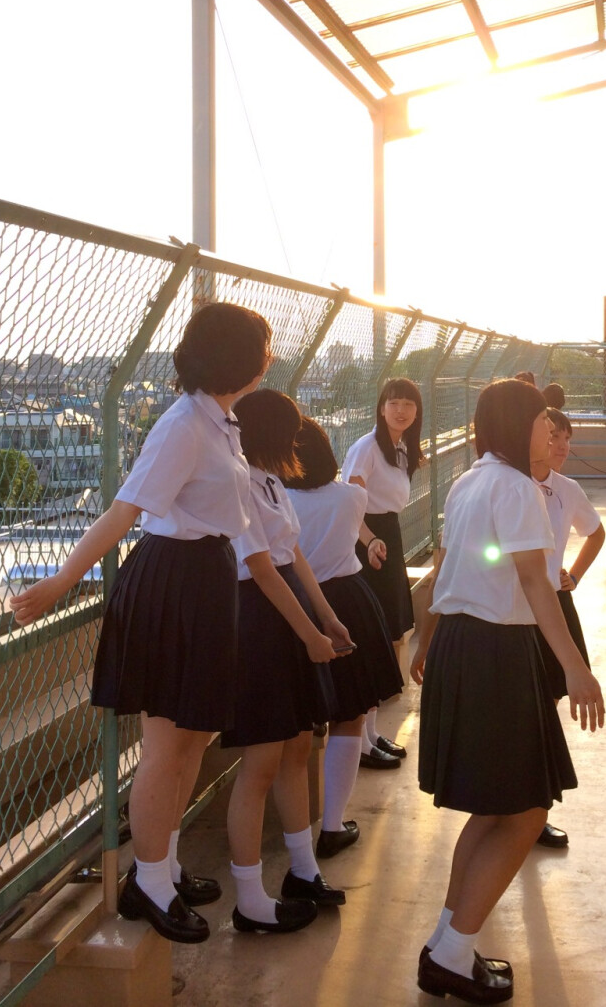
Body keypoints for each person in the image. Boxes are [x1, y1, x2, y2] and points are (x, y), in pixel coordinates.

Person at [9, 302, 271, 943]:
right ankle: (147, 886)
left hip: (203, 580)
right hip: (173, 584)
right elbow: (125, 511)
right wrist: (63, 581)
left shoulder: (220, 419)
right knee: (168, 744)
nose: (270, 355)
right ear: (238, 355)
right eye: (263, 345)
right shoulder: (184, 424)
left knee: (195, 733)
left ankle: (163, 865)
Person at [412, 379, 605, 1005]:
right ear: (516, 425)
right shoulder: (518, 488)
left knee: (493, 809)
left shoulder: (472, 480)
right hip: (497, 653)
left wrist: (426, 638)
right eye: (543, 424)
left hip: (467, 647)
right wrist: (574, 666)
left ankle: (449, 942)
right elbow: (533, 582)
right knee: (524, 812)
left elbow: (449, 571)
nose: (551, 434)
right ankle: (450, 951)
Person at [223, 389, 353, 933]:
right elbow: (261, 567)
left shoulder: (271, 480)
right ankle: (250, 898)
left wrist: (326, 617)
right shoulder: (237, 484)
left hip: (287, 613)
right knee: (261, 762)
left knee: (299, 744)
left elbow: (293, 554)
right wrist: (308, 634)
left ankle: (303, 870)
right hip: (258, 620)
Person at [284, 417, 405, 860]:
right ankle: (332, 825)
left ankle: (295, 837)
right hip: (347, 602)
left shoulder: (275, 500)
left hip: (290, 605)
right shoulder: (353, 498)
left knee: (296, 721)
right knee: (350, 714)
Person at [530, 406, 605, 848]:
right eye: (553, 435)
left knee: (547, 704)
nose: (561, 446)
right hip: (518, 608)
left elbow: (595, 533)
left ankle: (536, 812)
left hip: (554, 606)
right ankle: (517, 809)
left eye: (566, 439)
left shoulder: (567, 489)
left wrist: (571, 575)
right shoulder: (514, 486)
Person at [343, 377, 424, 768]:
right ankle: (359, 740)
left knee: (387, 633)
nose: (402, 410)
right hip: (368, 541)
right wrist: (370, 540)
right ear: (381, 406)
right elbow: (351, 504)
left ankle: (370, 733)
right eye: (394, 402)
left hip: (386, 536)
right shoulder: (366, 448)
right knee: (372, 636)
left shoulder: (402, 447)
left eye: (409, 404)